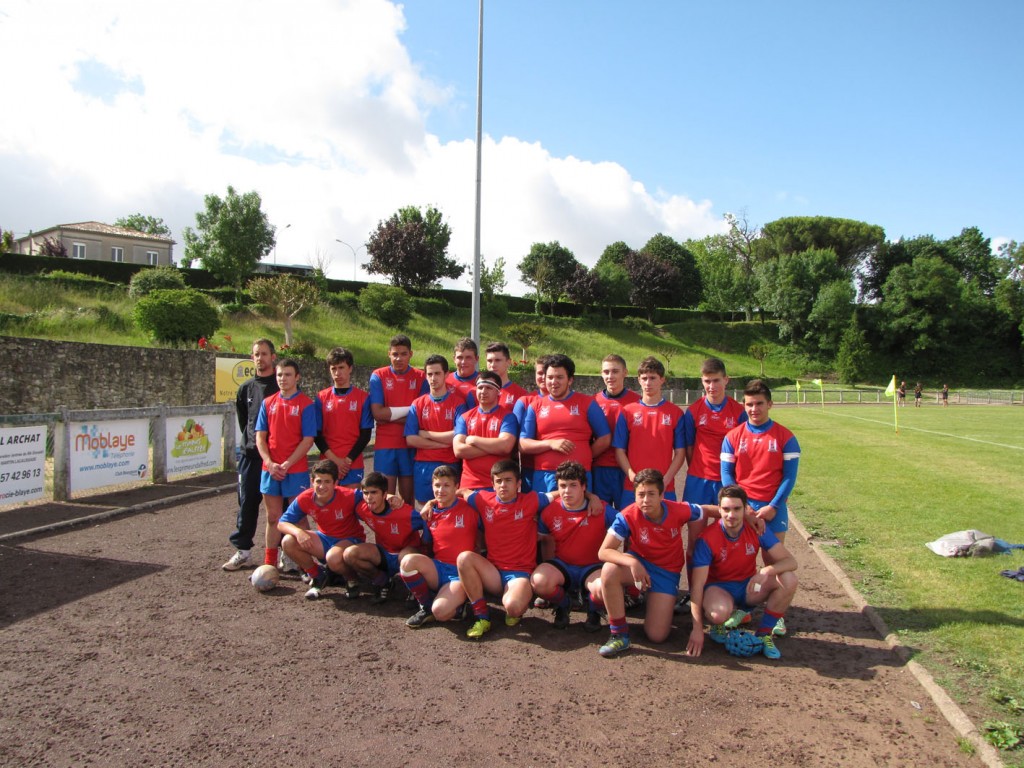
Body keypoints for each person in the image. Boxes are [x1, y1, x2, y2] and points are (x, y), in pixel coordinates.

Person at [593, 468, 718, 658]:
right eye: (640, 494)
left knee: (657, 636)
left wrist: (745, 516)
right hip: (638, 565)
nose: (645, 500)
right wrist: (632, 562)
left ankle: (647, 597)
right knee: (609, 571)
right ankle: (619, 634)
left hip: (666, 573)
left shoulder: (678, 509)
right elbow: (604, 551)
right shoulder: (627, 515)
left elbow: (706, 510)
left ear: (662, 495)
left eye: (651, 494)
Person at [686, 485, 798, 660]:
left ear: (745, 509)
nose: (731, 515)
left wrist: (767, 570)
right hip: (719, 589)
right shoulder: (707, 538)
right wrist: (697, 628)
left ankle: (764, 634)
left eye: (737, 509)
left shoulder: (756, 528)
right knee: (718, 614)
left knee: (789, 579)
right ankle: (719, 625)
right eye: (726, 509)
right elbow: (697, 585)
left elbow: (791, 562)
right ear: (719, 509)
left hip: (748, 586)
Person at [456, 460, 549, 638]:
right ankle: (482, 617)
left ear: (518, 484)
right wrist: (430, 503)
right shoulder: (483, 499)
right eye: (498, 481)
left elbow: (561, 494)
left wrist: (590, 498)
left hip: (519, 573)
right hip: (493, 573)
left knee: (513, 608)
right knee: (464, 558)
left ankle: (516, 600)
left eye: (508, 480)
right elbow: (461, 492)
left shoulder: (531, 500)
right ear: (493, 484)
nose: (503, 485)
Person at [681, 357, 747, 601]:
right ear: (702, 381)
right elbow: (689, 448)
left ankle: (722, 589)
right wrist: (699, 469)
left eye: (716, 380)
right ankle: (692, 592)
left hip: (727, 484)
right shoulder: (694, 411)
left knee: (729, 537)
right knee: (695, 541)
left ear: (726, 380)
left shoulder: (738, 412)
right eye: (707, 381)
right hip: (698, 481)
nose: (712, 386)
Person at [531, 461, 615, 631]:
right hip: (563, 566)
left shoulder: (601, 509)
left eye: (573, 485)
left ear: (584, 487)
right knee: (538, 581)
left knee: (605, 586)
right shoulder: (549, 510)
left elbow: (627, 525)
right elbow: (544, 540)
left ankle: (594, 609)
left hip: (592, 567)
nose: (567, 491)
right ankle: (564, 604)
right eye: (562, 486)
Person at [255, 357, 319, 571]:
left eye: (288, 374)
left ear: (297, 377)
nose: (283, 379)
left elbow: (308, 440)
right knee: (272, 517)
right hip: (270, 470)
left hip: (296, 470)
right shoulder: (268, 403)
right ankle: (269, 563)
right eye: (280, 375)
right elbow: (260, 438)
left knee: (299, 519)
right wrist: (270, 463)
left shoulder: (307, 405)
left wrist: (287, 464)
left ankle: (307, 566)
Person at [720, 379, 800, 549]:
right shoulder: (732, 437)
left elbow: (789, 477)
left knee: (775, 562)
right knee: (739, 562)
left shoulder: (786, 437)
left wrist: (773, 506)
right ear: (744, 405)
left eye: (759, 404)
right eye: (749, 404)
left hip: (773, 508)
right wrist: (744, 507)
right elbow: (727, 474)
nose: (754, 409)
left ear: (770, 404)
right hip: (742, 507)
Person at [399, 465, 481, 627]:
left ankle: (458, 607)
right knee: (407, 561)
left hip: (460, 574)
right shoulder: (429, 513)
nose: (440, 490)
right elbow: (427, 545)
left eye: (446, 485)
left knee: (441, 612)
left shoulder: (470, 508)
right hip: (438, 568)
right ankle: (425, 606)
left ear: (456, 486)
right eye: (437, 485)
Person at [223, 338, 279, 571]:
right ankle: (243, 551)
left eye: (264, 354)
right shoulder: (245, 388)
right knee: (246, 503)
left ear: (273, 357)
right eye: (256, 354)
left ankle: (285, 552)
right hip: (250, 458)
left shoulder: (281, 386)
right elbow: (244, 421)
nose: (260, 358)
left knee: (281, 508)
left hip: (276, 459)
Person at [519, 353, 612, 493]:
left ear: (570, 380)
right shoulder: (535, 406)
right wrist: (550, 443)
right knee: (545, 514)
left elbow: (605, 438)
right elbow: (523, 444)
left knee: (578, 514)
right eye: (550, 377)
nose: (553, 381)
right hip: (544, 475)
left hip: (578, 476)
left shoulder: (587, 403)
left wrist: (584, 455)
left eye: (559, 377)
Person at [276, 460, 365, 600]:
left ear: (336, 483)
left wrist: (390, 497)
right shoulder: (305, 497)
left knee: (333, 558)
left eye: (327, 482)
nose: (322, 486)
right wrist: (299, 532)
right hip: (325, 539)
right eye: (318, 481)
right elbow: (282, 523)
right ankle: (318, 575)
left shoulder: (350, 495)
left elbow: (372, 497)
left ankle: (352, 579)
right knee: (288, 541)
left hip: (350, 540)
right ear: (312, 481)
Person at [612, 355, 685, 509]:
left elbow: (680, 453)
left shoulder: (675, 413)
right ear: (638, 380)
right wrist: (632, 476)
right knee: (629, 530)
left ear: (662, 380)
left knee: (663, 530)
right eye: (644, 378)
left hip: (665, 487)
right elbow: (619, 450)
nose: (648, 383)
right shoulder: (627, 412)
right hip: (632, 487)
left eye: (653, 378)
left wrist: (665, 480)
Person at [343, 471, 424, 603]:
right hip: (384, 555)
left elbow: (427, 523)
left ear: (385, 494)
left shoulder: (404, 512)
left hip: (406, 555)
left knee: (406, 556)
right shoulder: (362, 509)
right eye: (366, 493)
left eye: (374, 492)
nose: (369, 497)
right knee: (350, 554)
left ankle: (416, 590)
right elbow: (344, 494)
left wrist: (426, 546)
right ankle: (383, 582)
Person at [369, 334, 428, 502]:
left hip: (409, 443)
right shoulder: (378, 375)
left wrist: (388, 417)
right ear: (389, 354)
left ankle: (408, 529)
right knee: (383, 498)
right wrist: (410, 414)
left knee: (407, 500)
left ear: (411, 354)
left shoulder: (421, 377)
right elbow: (377, 414)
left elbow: (422, 417)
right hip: (385, 445)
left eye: (403, 354)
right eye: (395, 354)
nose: (399, 358)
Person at [404, 354, 466, 507]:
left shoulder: (458, 403)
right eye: (430, 374)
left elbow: (457, 436)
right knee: (425, 509)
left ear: (446, 374)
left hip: (449, 463)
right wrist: (442, 443)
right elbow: (411, 439)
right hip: (423, 465)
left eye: (437, 373)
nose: (433, 378)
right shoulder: (418, 404)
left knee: (449, 507)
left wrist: (426, 434)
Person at [314, 347, 372, 488]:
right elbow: (317, 434)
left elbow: (365, 435)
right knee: (327, 506)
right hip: (327, 462)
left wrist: (347, 461)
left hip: (353, 463)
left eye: (341, 367)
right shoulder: (321, 397)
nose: (337, 373)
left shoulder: (363, 398)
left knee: (351, 506)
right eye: (333, 368)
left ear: (350, 368)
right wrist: (335, 461)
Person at [453, 370, 518, 491]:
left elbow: (505, 446)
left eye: (488, 388)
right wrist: (494, 447)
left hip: (499, 485)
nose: (483, 391)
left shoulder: (508, 417)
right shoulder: (464, 417)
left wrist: (473, 439)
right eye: (480, 387)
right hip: (469, 484)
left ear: (498, 392)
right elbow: (459, 450)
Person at [591, 354, 640, 505]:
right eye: (606, 372)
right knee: (599, 517)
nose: (610, 376)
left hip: (627, 470)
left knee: (626, 518)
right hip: (599, 469)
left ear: (625, 372)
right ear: (601, 373)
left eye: (615, 371)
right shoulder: (592, 402)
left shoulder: (638, 401)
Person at [513, 354, 552, 493]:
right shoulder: (525, 401)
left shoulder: (568, 403)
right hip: (529, 468)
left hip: (560, 467)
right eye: (540, 373)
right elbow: (514, 438)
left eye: (547, 373)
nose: (543, 377)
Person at [484, 341, 528, 409]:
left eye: (498, 360)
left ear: (508, 362)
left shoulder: (521, 394)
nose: (493, 365)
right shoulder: (479, 392)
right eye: (489, 361)